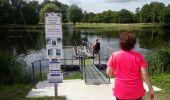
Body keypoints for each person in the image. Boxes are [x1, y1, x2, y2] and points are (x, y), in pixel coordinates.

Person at [106, 31, 155, 100]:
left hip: (120, 91)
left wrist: (117, 75)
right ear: (133, 44)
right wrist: (151, 89)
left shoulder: (115, 55)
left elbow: (109, 73)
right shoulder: (139, 56)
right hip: (136, 92)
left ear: (121, 43)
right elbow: (145, 74)